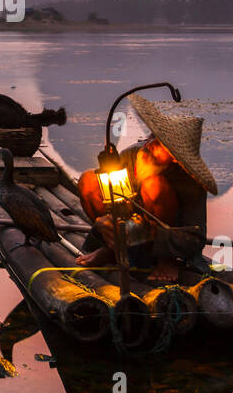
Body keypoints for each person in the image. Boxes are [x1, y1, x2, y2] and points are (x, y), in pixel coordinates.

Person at [76, 93, 217, 275]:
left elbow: (195, 238)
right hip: (129, 231)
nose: (149, 145)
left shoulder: (191, 183)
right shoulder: (132, 155)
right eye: (152, 136)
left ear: (176, 158)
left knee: (154, 186)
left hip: (162, 240)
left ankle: (165, 260)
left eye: (160, 144)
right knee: (89, 181)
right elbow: (114, 199)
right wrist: (103, 222)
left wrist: (153, 234)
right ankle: (113, 251)